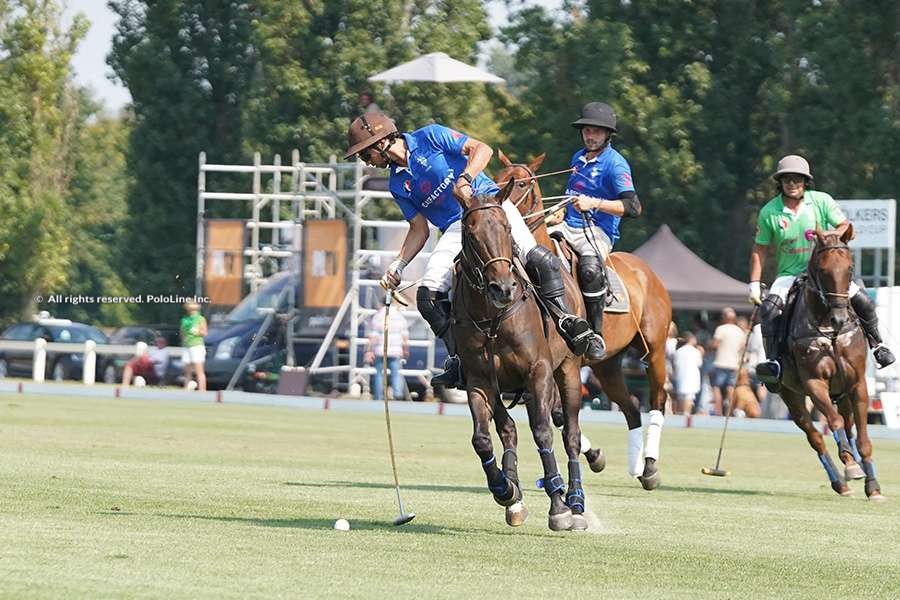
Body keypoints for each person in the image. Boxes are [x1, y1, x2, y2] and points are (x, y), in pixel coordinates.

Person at [344, 112, 605, 388]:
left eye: (364, 153)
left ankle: (567, 321)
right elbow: (418, 229)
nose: (365, 160)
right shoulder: (398, 184)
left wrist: (465, 178)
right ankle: (459, 357)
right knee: (428, 296)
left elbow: (482, 149)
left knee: (538, 258)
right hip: (456, 228)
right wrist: (398, 264)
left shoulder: (429, 136)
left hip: (490, 206)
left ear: (381, 141)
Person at [749, 155, 895, 389]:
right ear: (780, 182)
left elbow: (846, 226)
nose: (792, 184)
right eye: (787, 179)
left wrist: (828, 236)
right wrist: (754, 282)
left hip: (827, 273)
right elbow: (760, 248)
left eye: (797, 179)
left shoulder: (821, 201)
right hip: (790, 273)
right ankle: (774, 362)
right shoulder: (770, 212)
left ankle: (878, 346)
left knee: (864, 302)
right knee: (769, 310)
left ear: (805, 182)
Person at [547, 102, 642, 352]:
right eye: (587, 130)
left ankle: (595, 334)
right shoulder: (577, 158)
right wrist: (559, 210)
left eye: (596, 132)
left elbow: (633, 207)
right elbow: (572, 195)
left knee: (589, 270)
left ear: (607, 134)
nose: (590, 136)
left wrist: (595, 203)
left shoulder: (615, 164)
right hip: (568, 226)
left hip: (598, 231)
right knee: (534, 252)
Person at [365, 299, 410, 401]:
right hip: (396, 350)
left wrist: (369, 350)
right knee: (396, 373)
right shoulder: (400, 316)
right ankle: (398, 394)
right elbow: (405, 335)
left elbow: (374, 336)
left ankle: (378, 396)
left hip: (380, 350)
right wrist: (406, 349)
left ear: (381, 303)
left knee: (379, 374)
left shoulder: (378, 316)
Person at [709, 307, 745, 416]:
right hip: (734, 364)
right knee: (730, 388)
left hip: (721, 362)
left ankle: (718, 412)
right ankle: (730, 412)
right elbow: (741, 347)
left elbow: (715, 345)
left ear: (724, 317)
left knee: (716, 388)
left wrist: (708, 345)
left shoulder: (721, 329)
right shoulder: (739, 331)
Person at [672, 332, 703, 415]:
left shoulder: (678, 351)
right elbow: (699, 363)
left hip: (680, 376)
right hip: (691, 376)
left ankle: (681, 413)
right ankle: (686, 414)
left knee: (681, 396)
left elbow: (675, 365)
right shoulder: (696, 351)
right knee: (689, 396)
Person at [180, 302, 208, 391]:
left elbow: (204, 332)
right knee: (187, 372)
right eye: (190, 309)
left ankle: (202, 391)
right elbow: (182, 332)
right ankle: (186, 390)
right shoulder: (185, 319)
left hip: (197, 346)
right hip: (187, 346)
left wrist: (197, 331)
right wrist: (184, 339)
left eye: (193, 310)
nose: (192, 311)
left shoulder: (200, 319)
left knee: (199, 371)